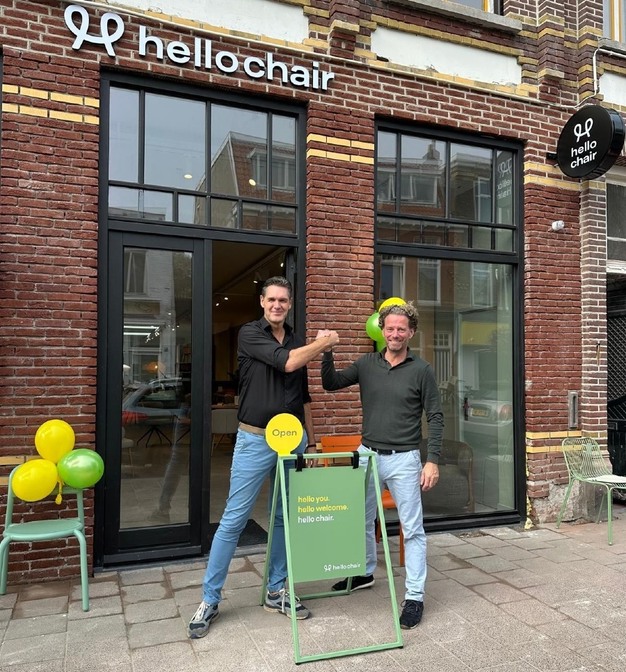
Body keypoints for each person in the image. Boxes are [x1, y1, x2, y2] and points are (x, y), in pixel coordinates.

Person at [188, 276, 339, 638]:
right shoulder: (249, 334)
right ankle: (209, 599)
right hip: (256, 439)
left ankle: (276, 590)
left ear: (289, 304)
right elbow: (286, 363)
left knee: (284, 517)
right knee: (234, 519)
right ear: (262, 301)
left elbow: (304, 396)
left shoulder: (298, 341)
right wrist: (324, 342)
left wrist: (312, 443)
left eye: (283, 300)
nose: (277, 305)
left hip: (294, 442)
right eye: (271, 299)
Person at [319, 302, 443, 630]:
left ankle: (414, 597)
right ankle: (363, 572)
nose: (395, 334)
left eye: (401, 329)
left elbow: (435, 416)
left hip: (405, 459)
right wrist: (327, 351)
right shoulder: (366, 364)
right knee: (360, 518)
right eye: (390, 328)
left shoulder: (422, 370)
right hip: (367, 455)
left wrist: (432, 460)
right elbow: (331, 383)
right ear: (382, 330)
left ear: (411, 332)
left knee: (412, 529)